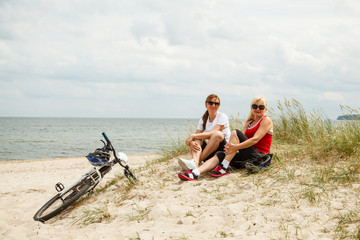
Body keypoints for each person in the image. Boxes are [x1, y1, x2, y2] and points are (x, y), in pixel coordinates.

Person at [178, 96, 273, 181]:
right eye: (255, 106)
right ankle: (195, 173)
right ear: (251, 108)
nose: (257, 109)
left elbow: (255, 140)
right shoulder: (248, 123)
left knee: (235, 132)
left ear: (266, 109)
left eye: (261, 107)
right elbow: (242, 141)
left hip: (259, 157)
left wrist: (235, 147)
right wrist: (232, 147)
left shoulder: (266, 120)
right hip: (246, 158)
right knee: (220, 154)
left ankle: (224, 167)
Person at [177, 94, 231, 178]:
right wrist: (191, 142)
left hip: (222, 152)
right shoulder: (203, 119)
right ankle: (195, 163)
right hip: (210, 152)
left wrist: (192, 136)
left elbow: (212, 133)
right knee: (197, 140)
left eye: (216, 103)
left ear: (219, 105)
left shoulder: (222, 117)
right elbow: (196, 136)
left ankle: (195, 163)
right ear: (206, 104)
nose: (213, 105)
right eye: (211, 103)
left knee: (217, 134)